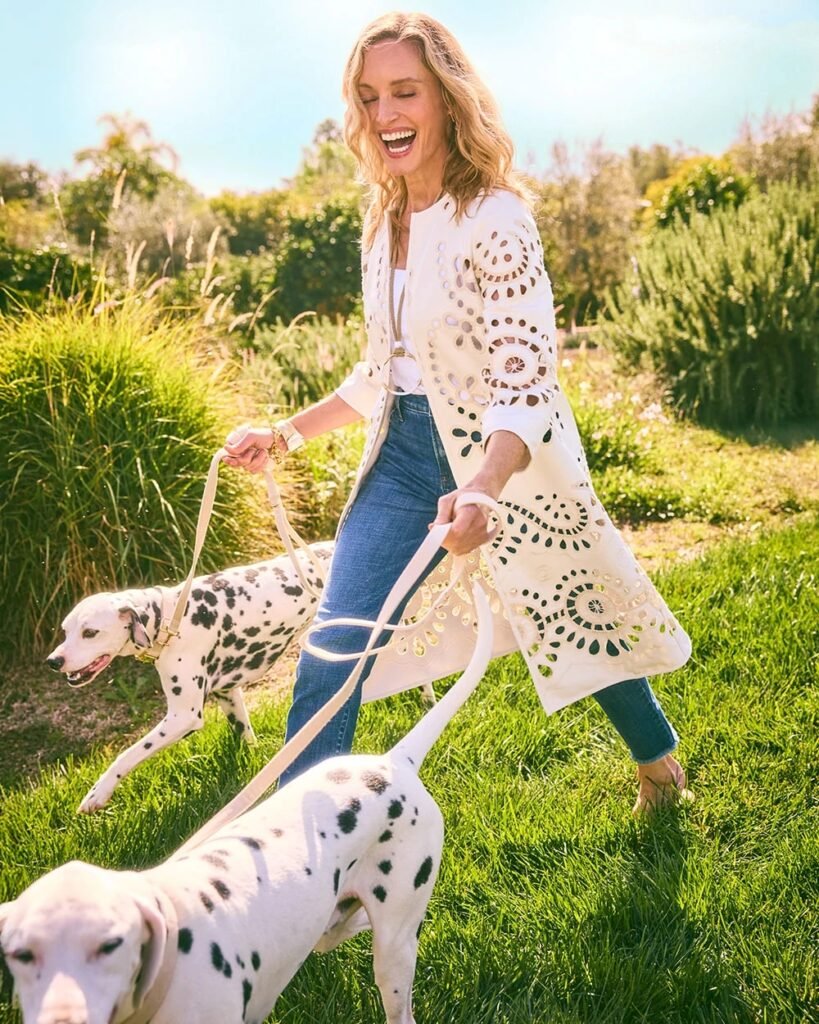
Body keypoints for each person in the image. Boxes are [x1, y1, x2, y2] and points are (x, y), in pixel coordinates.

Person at [224, 11, 693, 813]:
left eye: (404, 92)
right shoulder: (384, 222)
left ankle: (656, 762)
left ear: (446, 98)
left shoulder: (496, 219)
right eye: (368, 97)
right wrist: (284, 434)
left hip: (505, 459)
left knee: (567, 613)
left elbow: (527, 382)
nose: (384, 115)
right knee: (336, 646)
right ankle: (306, 856)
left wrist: (481, 484)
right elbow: (382, 372)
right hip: (402, 459)